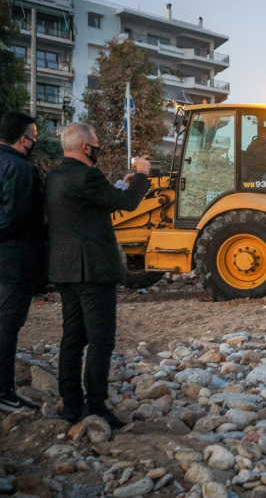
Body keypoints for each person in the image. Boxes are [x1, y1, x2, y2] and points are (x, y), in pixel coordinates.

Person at [46, 123, 151, 427]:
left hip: (64, 269)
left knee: (72, 338)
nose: (98, 146)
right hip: (93, 270)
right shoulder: (89, 175)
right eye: (96, 142)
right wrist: (142, 174)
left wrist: (122, 182)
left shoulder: (55, 176)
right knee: (101, 341)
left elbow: (98, 201)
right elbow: (127, 204)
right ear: (84, 147)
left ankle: (71, 406)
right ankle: (96, 406)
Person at [0, 112, 45, 412]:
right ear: (23, 139)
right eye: (34, 138)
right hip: (14, 261)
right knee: (7, 326)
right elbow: (13, 217)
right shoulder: (20, 168)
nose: (34, 143)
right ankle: (4, 394)